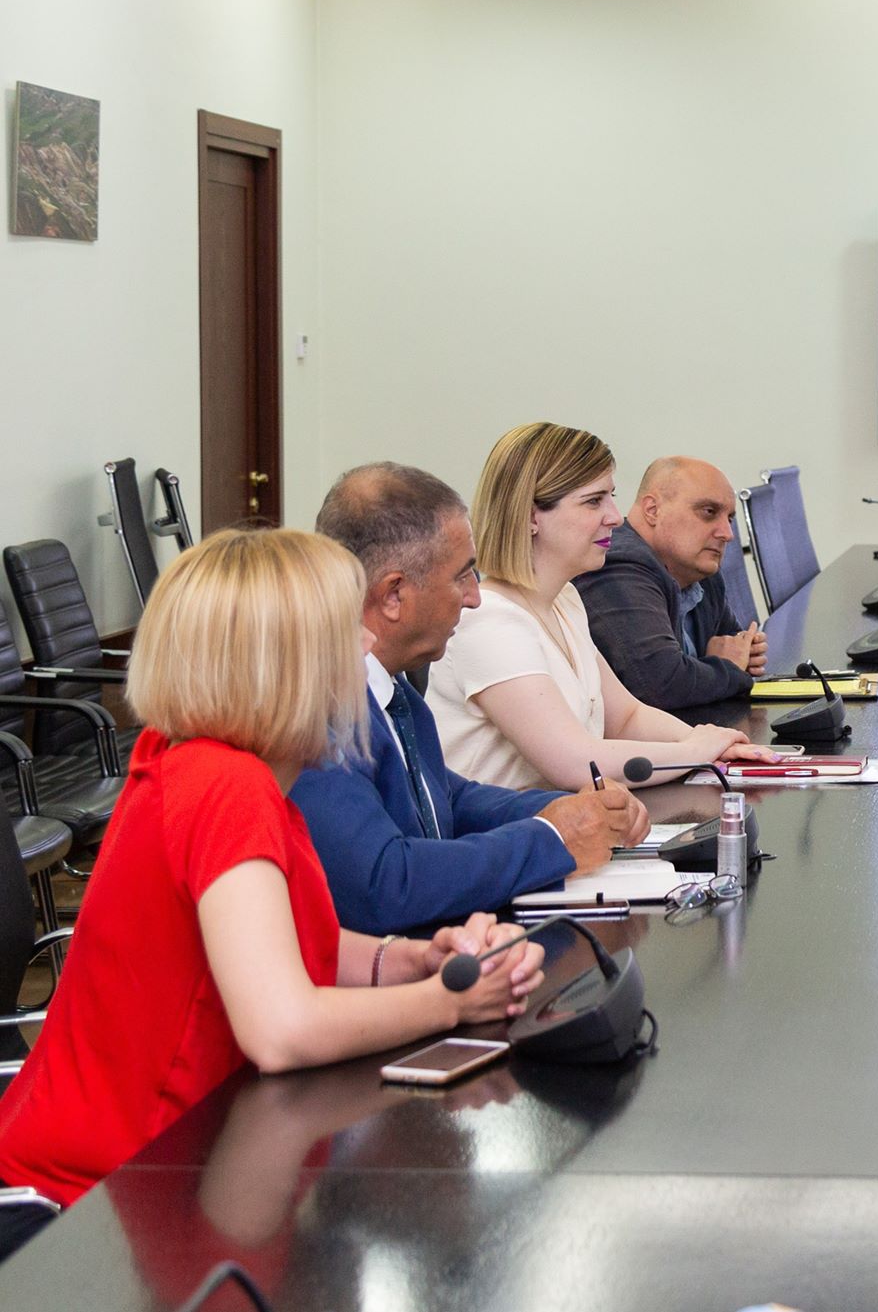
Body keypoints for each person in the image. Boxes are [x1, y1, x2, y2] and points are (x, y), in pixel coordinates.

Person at [0, 529, 541, 1260]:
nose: (365, 646)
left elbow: (283, 940)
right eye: (345, 633)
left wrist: (412, 961)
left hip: (151, 1178)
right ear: (288, 666)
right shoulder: (226, 788)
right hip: (88, 1208)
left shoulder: (208, 764)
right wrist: (453, 1003)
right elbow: (281, 1030)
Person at [292, 463, 652, 933]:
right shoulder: (317, 712)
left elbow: (449, 797)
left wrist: (568, 811)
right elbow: (385, 884)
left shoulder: (391, 688)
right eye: (461, 577)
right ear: (393, 595)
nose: (474, 597)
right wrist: (553, 838)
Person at [428, 422, 777, 791]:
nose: (615, 516)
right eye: (594, 501)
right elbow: (576, 764)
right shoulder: (489, 623)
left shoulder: (564, 600)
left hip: (565, 817)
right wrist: (695, 752)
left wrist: (712, 743)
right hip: (511, 827)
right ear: (531, 516)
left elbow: (626, 717)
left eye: (610, 497)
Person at [573, 456, 766, 710]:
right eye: (709, 512)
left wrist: (739, 655)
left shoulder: (699, 570)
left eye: (729, 519)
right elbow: (660, 685)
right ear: (653, 510)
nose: (727, 534)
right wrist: (728, 668)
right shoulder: (617, 565)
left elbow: (734, 644)